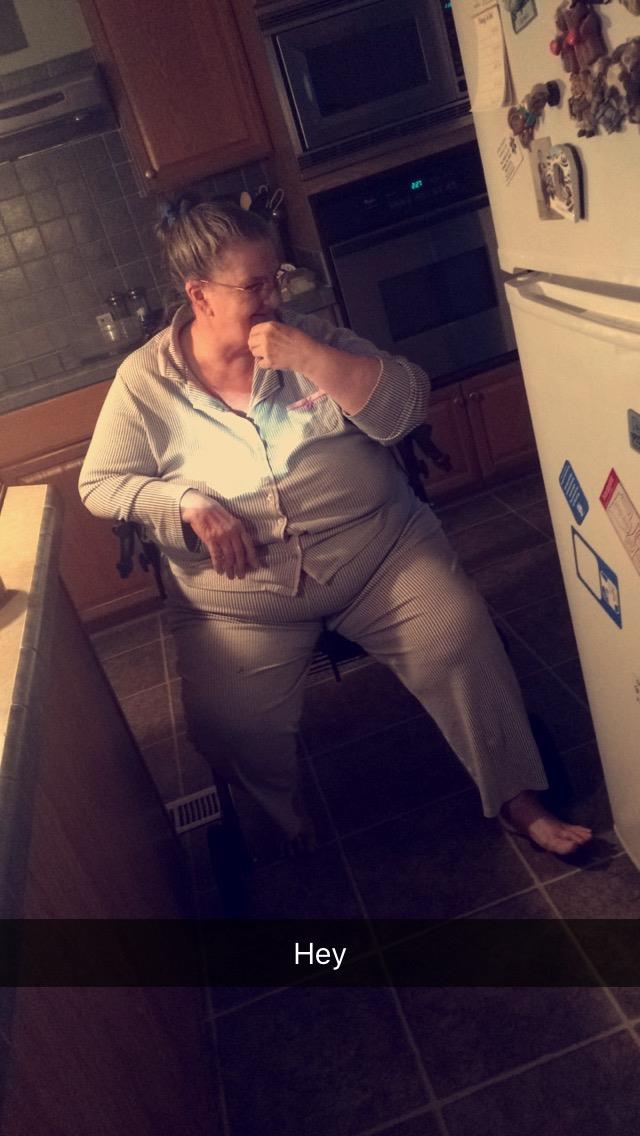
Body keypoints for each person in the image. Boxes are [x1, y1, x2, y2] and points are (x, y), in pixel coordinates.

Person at [79, 200, 592, 858]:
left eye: (276, 278)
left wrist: (315, 358)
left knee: (458, 636)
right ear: (199, 295)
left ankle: (519, 798)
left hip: (379, 557)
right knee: (226, 721)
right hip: (245, 601)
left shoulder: (312, 338)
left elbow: (405, 405)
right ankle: (283, 815)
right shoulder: (145, 384)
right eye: (253, 286)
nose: (273, 298)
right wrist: (181, 501)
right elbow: (100, 483)